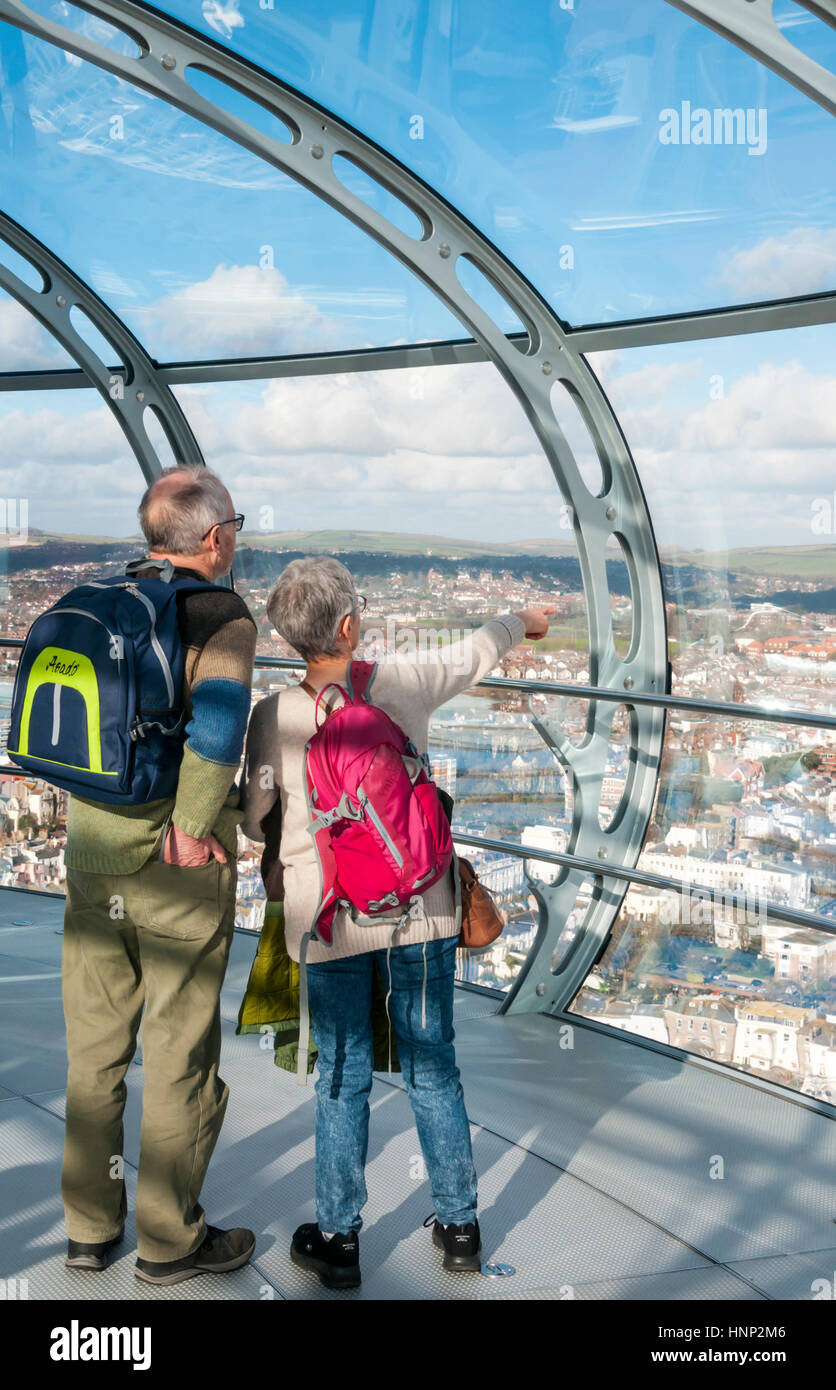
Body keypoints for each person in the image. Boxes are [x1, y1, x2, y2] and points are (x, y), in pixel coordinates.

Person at [240, 555, 552, 1288]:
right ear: (351, 625)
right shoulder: (402, 682)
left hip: (329, 918)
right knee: (432, 1066)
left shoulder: (273, 716)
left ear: (290, 639)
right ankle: (461, 1228)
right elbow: (477, 651)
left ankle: (341, 1240)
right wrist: (523, 622)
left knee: (342, 1075)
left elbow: (256, 818)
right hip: (422, 911)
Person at [61, 464, 258, 1286]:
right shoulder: (219, 613)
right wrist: (185, 828)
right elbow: (216, 730)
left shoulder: (104, 599)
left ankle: (85, 1229)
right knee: (179, 1056)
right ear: (214, 538)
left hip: (91, 852)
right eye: (236, 525)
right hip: (178, 865)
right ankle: (170, 1242)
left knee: (94, 1056)